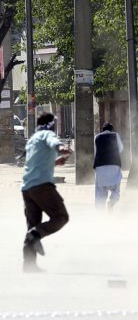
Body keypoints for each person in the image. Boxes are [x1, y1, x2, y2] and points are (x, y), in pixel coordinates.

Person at [21, 113, 73, 273]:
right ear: (51, 124)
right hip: (42, 185)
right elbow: (55, 143)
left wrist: (55, 162)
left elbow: (35, 162)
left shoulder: (32, 140)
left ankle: (29, 265)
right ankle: (36, 234)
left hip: (27, 188)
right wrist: (63, 149)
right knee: (61, 217)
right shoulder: (47, 134)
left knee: (32, 226)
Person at [93, 122, 124, 211]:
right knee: (115, 188)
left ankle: (100, 213)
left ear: (102, 130)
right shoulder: (115, 135)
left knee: (100, 192)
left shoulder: (97, 137)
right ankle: (111, 203)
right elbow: (121, 148)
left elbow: (96, 152)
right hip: (114, 165)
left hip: (100, 167)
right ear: (112, 129)